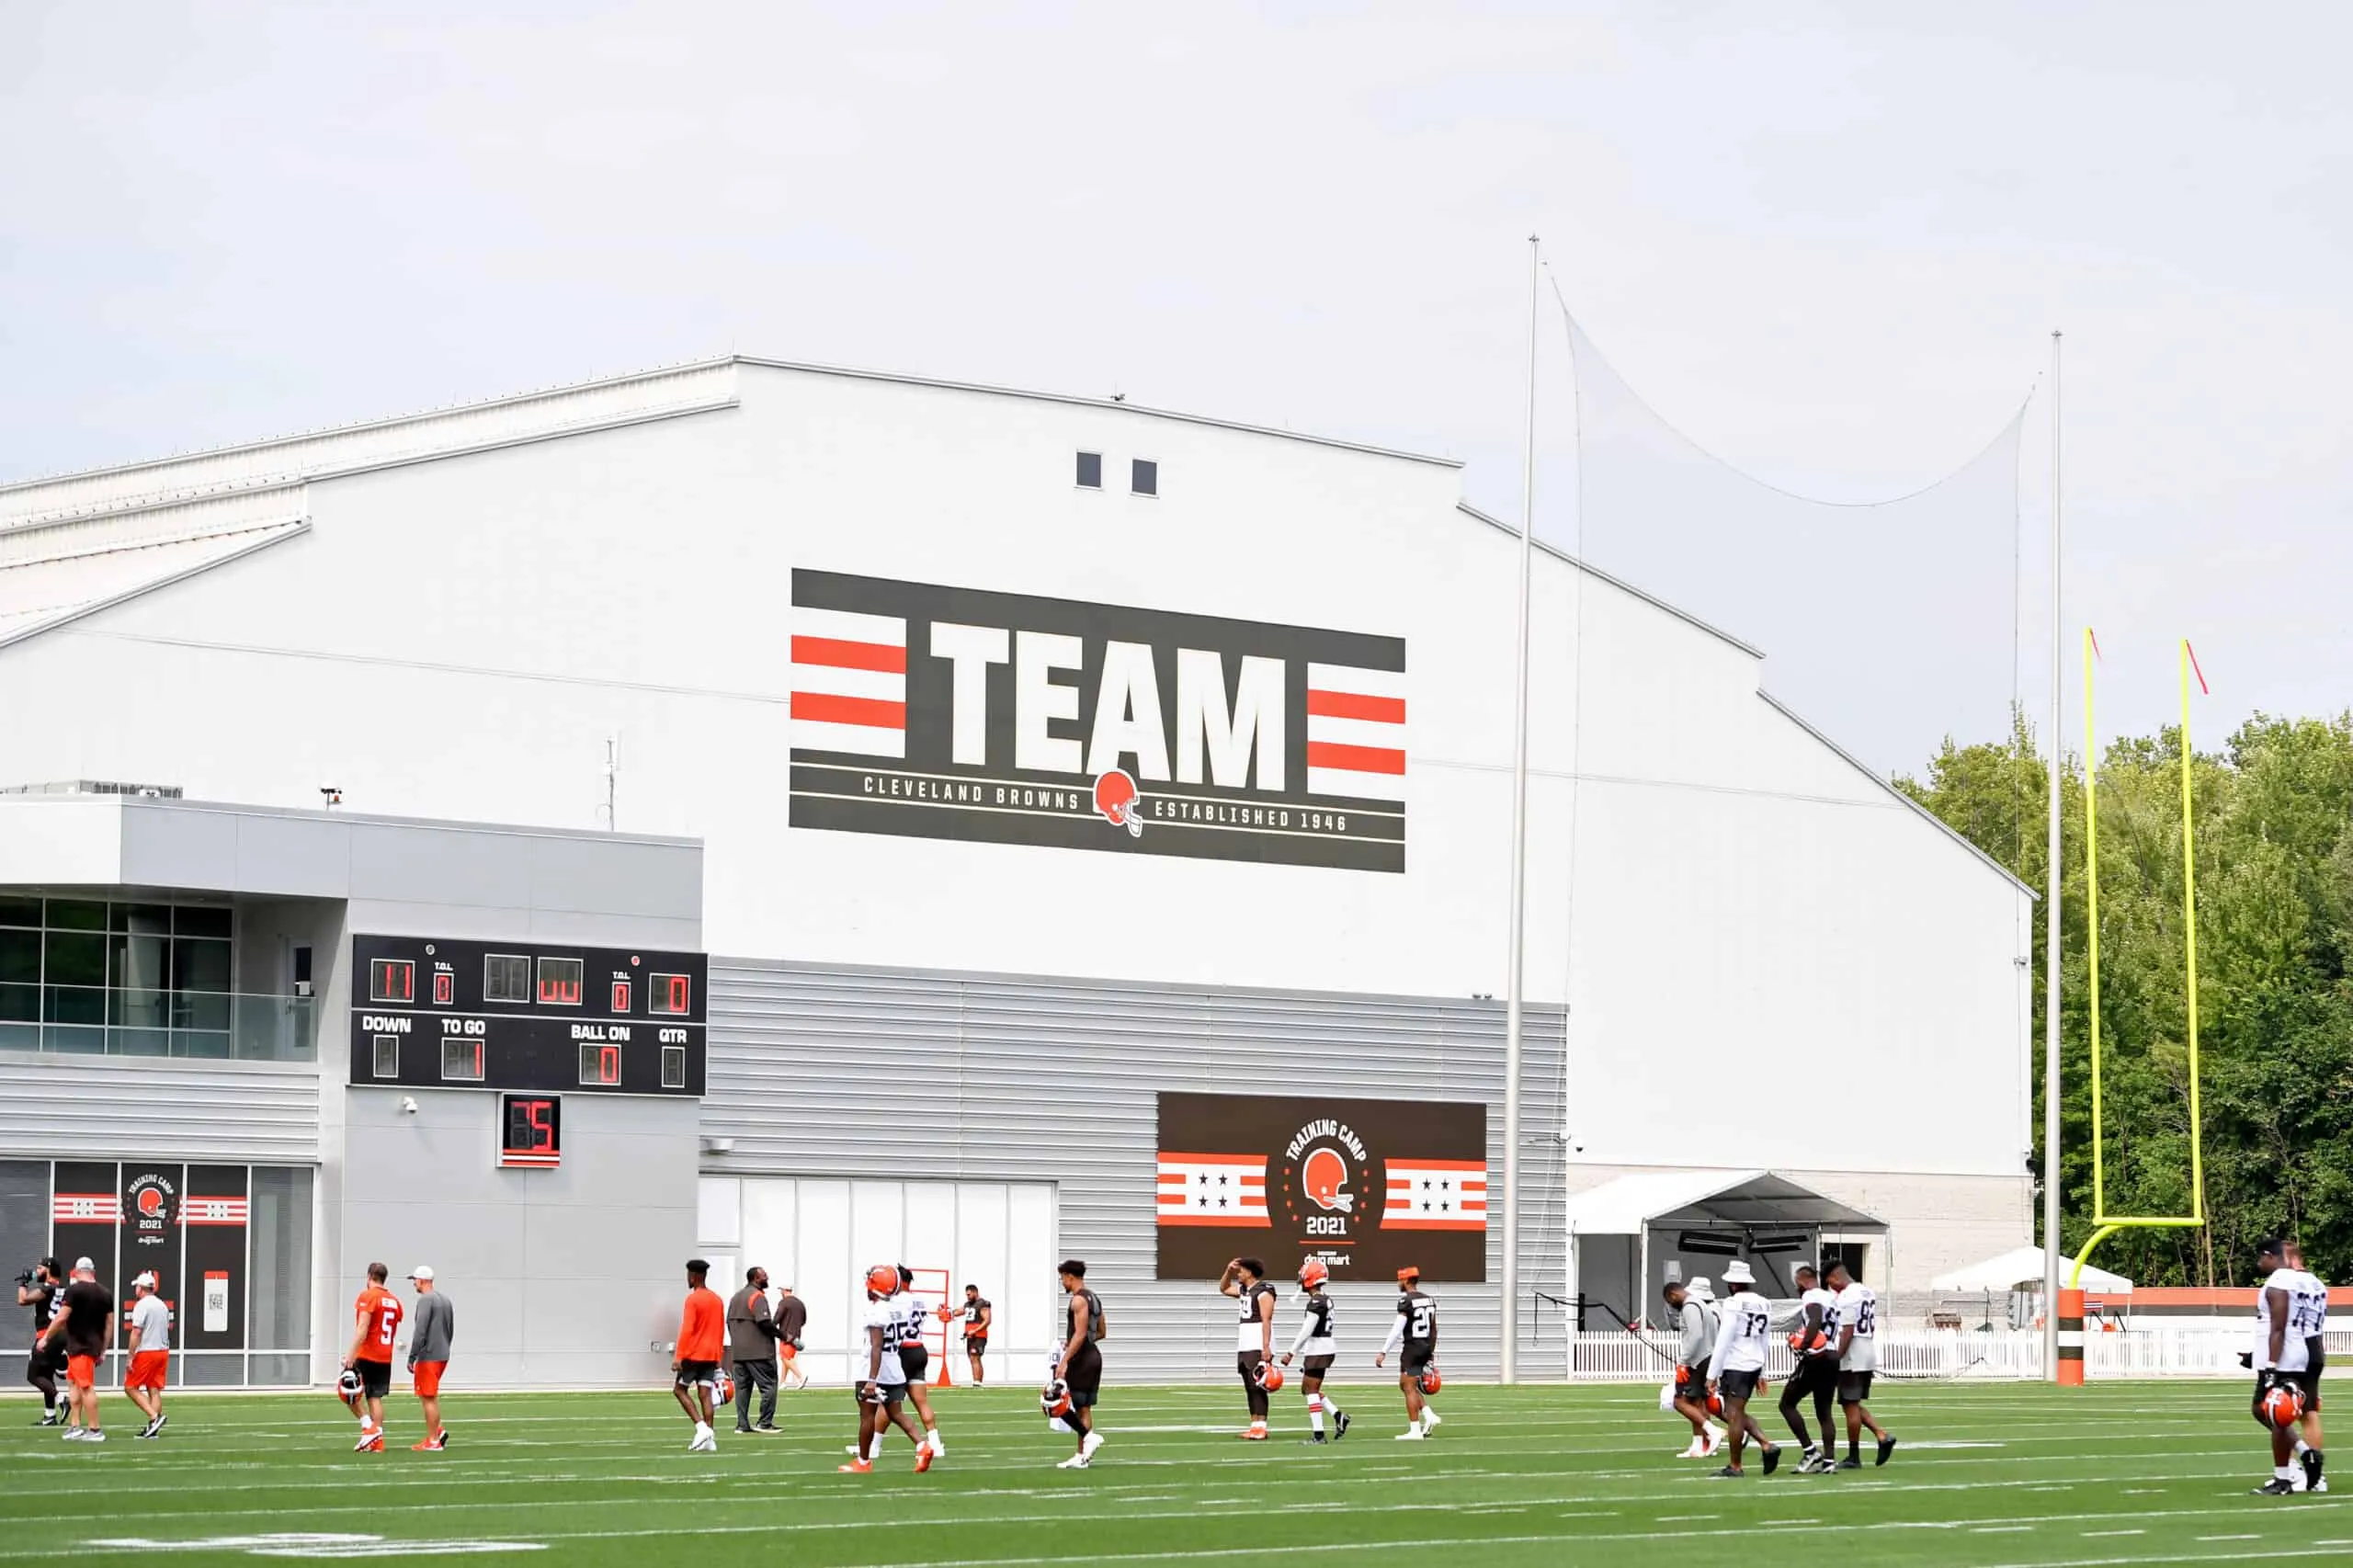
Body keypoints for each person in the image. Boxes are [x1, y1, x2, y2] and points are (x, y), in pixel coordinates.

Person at [841, 1263, 928, 1473]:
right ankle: (922, 1445)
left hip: (875, 1369)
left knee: (867, 1416)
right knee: (896, 1413)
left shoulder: (876, 1311)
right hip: (894, 1367)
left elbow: (876, 1347)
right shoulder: (901, 1308)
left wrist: (872, 1379)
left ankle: (863, 1462)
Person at [1703, 1259, 1781, 1478]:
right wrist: (1763, 1372)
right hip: (1755, 1362)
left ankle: (1736, 1466)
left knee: (1733, 1414)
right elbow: (1766, 1338)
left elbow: (1724, 1339)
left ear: (1733, 1284)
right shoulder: (1764, 1303)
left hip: (1736, 1364)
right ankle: (1766, 1445)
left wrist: (1712, 1374)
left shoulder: (1732, 1303)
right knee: (1736, 1412)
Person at [2252, 1237, 2313, 1494]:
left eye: (2260, 1257)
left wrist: (2272, 1364)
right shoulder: (2296, 1280)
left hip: (2283, 1358)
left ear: (2270, 1255)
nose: (2258, 1263)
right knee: (2262, 1410)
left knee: (2276, 1414)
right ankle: (2305, 1455)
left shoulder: (2279, 1282)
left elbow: (2278, 1326)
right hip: (2291, 1352)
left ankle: (2285, 1478)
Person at [1825, 1260, 1894, 1468]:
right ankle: (1882, 1435)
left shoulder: (1847, 1296)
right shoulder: (1867, 1292)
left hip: (1853, 1352)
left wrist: (1838, 1357)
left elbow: (1847, 1330)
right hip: (1867, 1347)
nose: (1831, 1287)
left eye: (1830, 1282)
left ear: (1836, 1277)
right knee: (1851, 1403)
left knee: (1850, 1405)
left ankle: (1854, 1456)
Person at [39, 1257, 114, 1442]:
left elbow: (61, 1317)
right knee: (73, 1383)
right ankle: (75, 1425)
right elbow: (110, 1324)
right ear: (93, 1271)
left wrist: (46, 1338)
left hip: (80, 1345)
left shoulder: (74, 1290)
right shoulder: (105, 1293)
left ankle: (95, 1429)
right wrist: (103, 1349)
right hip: (89, 1345)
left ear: (77, 1271)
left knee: (86, 1387)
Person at [1279, 1259, 1350, 1444]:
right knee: (1307, 1388)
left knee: (1311, 1391)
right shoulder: (1324, 1299)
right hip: (1323, 1347)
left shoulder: (1316, 1301)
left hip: (1319, 1349)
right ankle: (1337, 1415)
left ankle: (1319, 1435)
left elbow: (1307, 1330)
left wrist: (1291, 1352)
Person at [1780, 1264, 1842, 1472]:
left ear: (1801, 1281)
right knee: (1824, 1412)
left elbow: (1815, 1318)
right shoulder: (1831, 1298)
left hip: (1818, 1356)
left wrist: (1803, 1345)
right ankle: (1829, 1462)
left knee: (1786, 1404)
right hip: (1833, 1354)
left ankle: (1810, 1451)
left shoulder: (1811, 1296)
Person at [1374, 1265, 1442, 1439]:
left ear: (1405, 1280)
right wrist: (1431, 1354)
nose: (1398, 1283)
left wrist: (1383, 1351)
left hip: (1412, 1348)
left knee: (1409, 1387)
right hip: (1426, 1346)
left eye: (1399, 1280)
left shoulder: (1406, 1301)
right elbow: (1434, 1329)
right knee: (1405, 1385)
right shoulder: (1429, 1299)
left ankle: (1415, 1430)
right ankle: (1428, 1415)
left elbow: (1397, 1330)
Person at [1051, 1258, 1107, 1469]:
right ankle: (1082, 1455)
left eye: (1062, 1278)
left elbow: (1081, 1333)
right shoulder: (1094, 1298)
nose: (1062, 1283)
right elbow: (1101, 1331)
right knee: (1083, 1407)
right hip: (1092, 1355)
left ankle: (1088, 1439)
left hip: (1082, 1359)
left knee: (1057, 1403)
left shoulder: (1078, 1301)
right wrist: (1075, 1342)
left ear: (1069, 1276)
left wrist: (1065, 1360)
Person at [344, 1261, 404, 1452]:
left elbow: (363, 1328)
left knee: (347, 1391)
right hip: (385, 1355)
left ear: (369, 1276)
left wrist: (350, 1355)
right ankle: (377, 1439)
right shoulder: (394, 1301)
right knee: (375, 1397)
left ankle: (368, 1427)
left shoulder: (368, 1296)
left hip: (367, 1353)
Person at [1219, 1256, 1279, 1439]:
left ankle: (1261, 1427)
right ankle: (1254, 1426)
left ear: (1250, 1272)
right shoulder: (1246, 1290)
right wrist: (1228, 1271)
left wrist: (1266, 1346)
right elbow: (1224, 1288)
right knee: (1249, 1386)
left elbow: (1266, 1319)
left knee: (1258, 1386)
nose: (1239, 1273)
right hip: (1245, 1343)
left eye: (1241, 1270)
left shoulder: (1264, 1291)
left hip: (1257, 1343)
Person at [1663, 1278, 1722, 1458]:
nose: (1672, 1306)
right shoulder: (1704, 1306)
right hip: (1708, 1357)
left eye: (1670, 1301)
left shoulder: (1690, 1306)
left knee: (1679, 1401)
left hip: (1698, 1360)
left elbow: (1695, 1335)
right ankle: (1698, 1445)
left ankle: (1712, 1431)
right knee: (1696, 1403)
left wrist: (1683, 1361)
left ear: (1673, 1295)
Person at [672, 1257, 727, 1453]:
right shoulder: (717, 1299)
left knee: (679, 1390)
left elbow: (687, 1329)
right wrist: (719, 1356)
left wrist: (679, 1356)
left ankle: (701, 1428)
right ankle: (710, 1438)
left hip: (694, 1354)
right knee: (705, 1395)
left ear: (694, 1276)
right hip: (711, 1355)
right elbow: (721, 1329)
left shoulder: (693, 1299)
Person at [2286, 1240, 2328, 1493]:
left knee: (2283, 1411)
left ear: (2290, 1259)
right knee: (2309, 1412)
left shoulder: (2289, 1282)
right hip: (2315, 1346)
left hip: (2296, 1347)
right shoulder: (2317, 1282)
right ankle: (2317, 1474)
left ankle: (2295, 1470)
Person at [895, 1266, 945, 1457]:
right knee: (922, 1402)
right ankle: (936, 1444)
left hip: (902, 1351)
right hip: (919, 1348)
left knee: (889, 1402)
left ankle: (871, 1446)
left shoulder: (897, 1300)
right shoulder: (920, 1300)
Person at [728, 1265, 782, 1437]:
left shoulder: (736, 1297)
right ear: (756, 1279)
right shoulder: (757, 1297)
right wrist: (785, 1336)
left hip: (738, 1353)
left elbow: (728, 1322)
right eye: (764, 1276)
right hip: (759, 1352)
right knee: (769, 1386)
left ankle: (742, 1425)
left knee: (742, 1389)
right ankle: (764, 1422)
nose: (767, 1278)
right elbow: (765, 1322)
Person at [406, 1266, 455, 1451]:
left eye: (415, 1280)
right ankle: (438, 1431)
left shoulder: (425, 1300)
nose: (414, 1284)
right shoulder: (445, 1300)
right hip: (442, 1354)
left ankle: (433, 1440)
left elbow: (420, 1330)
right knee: (431, 1396)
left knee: (427, 1397)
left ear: (423, 1280)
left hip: (429, 1356)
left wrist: (412, 1356)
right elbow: (450, 1329)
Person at [17, 1256, 65, 1427]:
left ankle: (61, 1399)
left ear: (48, 1269)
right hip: (59, 1335)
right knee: (46, 1375)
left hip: (47, 1335)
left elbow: (23, 1300)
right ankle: (50, 1415)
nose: (37, 1272)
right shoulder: (60, 1288)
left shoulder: (47, 1287)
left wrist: (23, 1283)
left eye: (39, 1268)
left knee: (33, 1375)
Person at [124, 1270, 171, 1438]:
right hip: (162, 1351)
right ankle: (153, 1428)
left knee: (130, 1387)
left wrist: (130, 1356)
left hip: (147, 1351)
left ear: (142, 1288)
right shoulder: (162, 1305)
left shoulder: (142, 1305)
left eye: (137, 1286)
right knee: (154, 1388)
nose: (135, 1289)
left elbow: (136, 1332)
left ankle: (154, 1416)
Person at [774, 1283, 809, 1391]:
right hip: (796, 1336)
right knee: (786, 1358)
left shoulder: (783, 1303)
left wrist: (771, 1327)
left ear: (784, 1291)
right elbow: (804, 1320)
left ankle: (800, 1378)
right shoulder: (800, 1303)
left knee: (785, 1358)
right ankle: (782, 1382)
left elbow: (777, 1318)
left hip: (785, 1336)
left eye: (781, 1290)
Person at [960, 1284, 993, 1386]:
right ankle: (978, 1382)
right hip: (970, 1336)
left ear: (975, 1292)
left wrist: (975, 1330)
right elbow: (960, 1311)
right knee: (974, 1358)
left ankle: (977, 1382)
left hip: (979, 1336)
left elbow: (987, 1320)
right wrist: (950, 1313)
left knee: (974, 1357)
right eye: (967, 1295)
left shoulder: (982, 1304)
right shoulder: (968, 1304)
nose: (968, 1296)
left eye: (969, 1294)